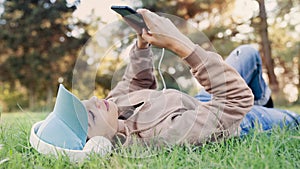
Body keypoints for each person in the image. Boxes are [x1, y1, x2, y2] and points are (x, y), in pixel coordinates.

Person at [30, 9, 299, 160]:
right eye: (88, 114)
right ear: (99, 145)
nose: (91, 102)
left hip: (200, 103)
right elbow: (234, 100)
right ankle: (266, 109)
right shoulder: (163, 137)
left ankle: (265, 99)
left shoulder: (113, 111)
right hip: (241, 118)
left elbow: (136, 81)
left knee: (248, 53)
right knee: (293, 119)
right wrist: (179, 44)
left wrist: (142, 43)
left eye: (82, 102)